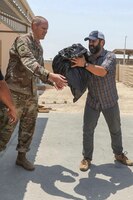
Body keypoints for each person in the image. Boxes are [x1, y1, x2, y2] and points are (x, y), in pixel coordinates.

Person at [0, 16, 67, 171]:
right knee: (5, 128)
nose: (46, 32)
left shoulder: (39, 47)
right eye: (44, 29)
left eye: (47, 29)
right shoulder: (22, 40)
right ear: (34, 26)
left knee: (28, 127)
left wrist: (53, 82)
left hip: (30, 93)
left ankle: (21, 158)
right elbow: (29, 63)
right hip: (14, 93)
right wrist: (51, 76)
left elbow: (39, 71)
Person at [71, 30, 133, 171]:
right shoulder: (86, 57)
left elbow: (102, 71)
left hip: (109, 100)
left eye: (93, 41)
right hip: (92, 101)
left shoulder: (110, 56)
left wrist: (85, 65)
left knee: (115, 129)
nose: (90, 44)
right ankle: (86, 158)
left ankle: (118, 154)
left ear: (102, 42)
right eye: (89, 41)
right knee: (87, 130)